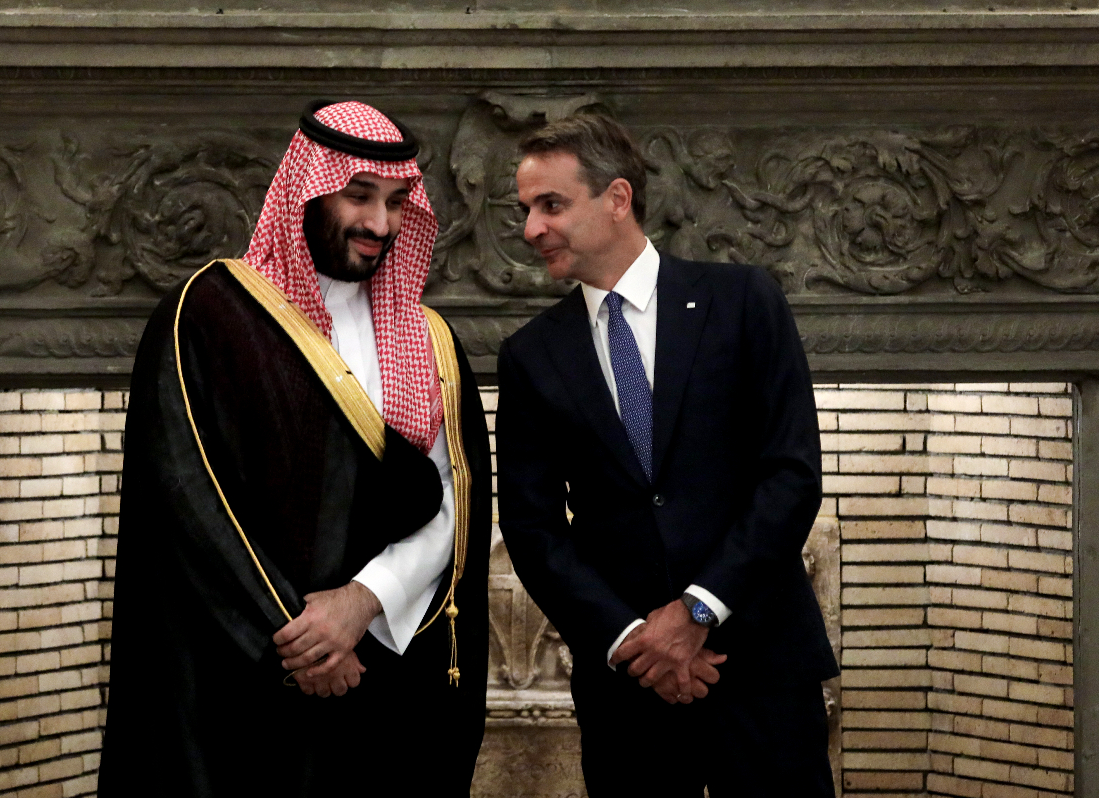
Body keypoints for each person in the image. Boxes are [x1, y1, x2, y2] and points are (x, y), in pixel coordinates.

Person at [99, 100, 491, 796]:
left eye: (397, 202)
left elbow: (452, 503)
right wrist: (306, 638)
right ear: (309, 190)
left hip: (388, 674)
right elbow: (187, 502)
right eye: (359, 195)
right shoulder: (210, 315)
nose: (380, 224)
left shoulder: (427, 337)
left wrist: (362, 601)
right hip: (245, 683)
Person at [496, 113, 839, 797]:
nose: (532, 228)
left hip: (763, 667)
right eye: (526, 210)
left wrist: (696, 611)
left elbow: (791, 475)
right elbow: (532, 529)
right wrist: (632, 639)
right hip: (629, 688)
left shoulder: (743, 300)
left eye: (551, 205)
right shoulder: (530, 354)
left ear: (617, 198)